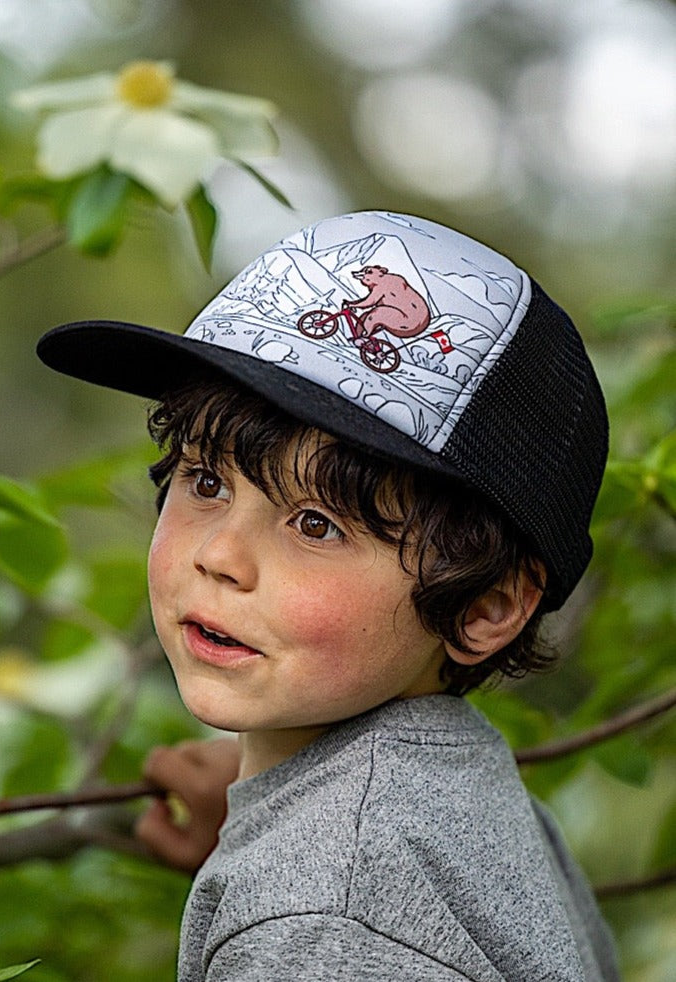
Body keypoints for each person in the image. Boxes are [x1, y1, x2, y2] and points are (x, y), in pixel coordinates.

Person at [37, 211, 619, 981]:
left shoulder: (325, 919)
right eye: (205, 481)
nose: (219, 555)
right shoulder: (455, 803)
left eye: (316, 524)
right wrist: (262, 813)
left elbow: (339, 925)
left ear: (484, 607)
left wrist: (293, 897)